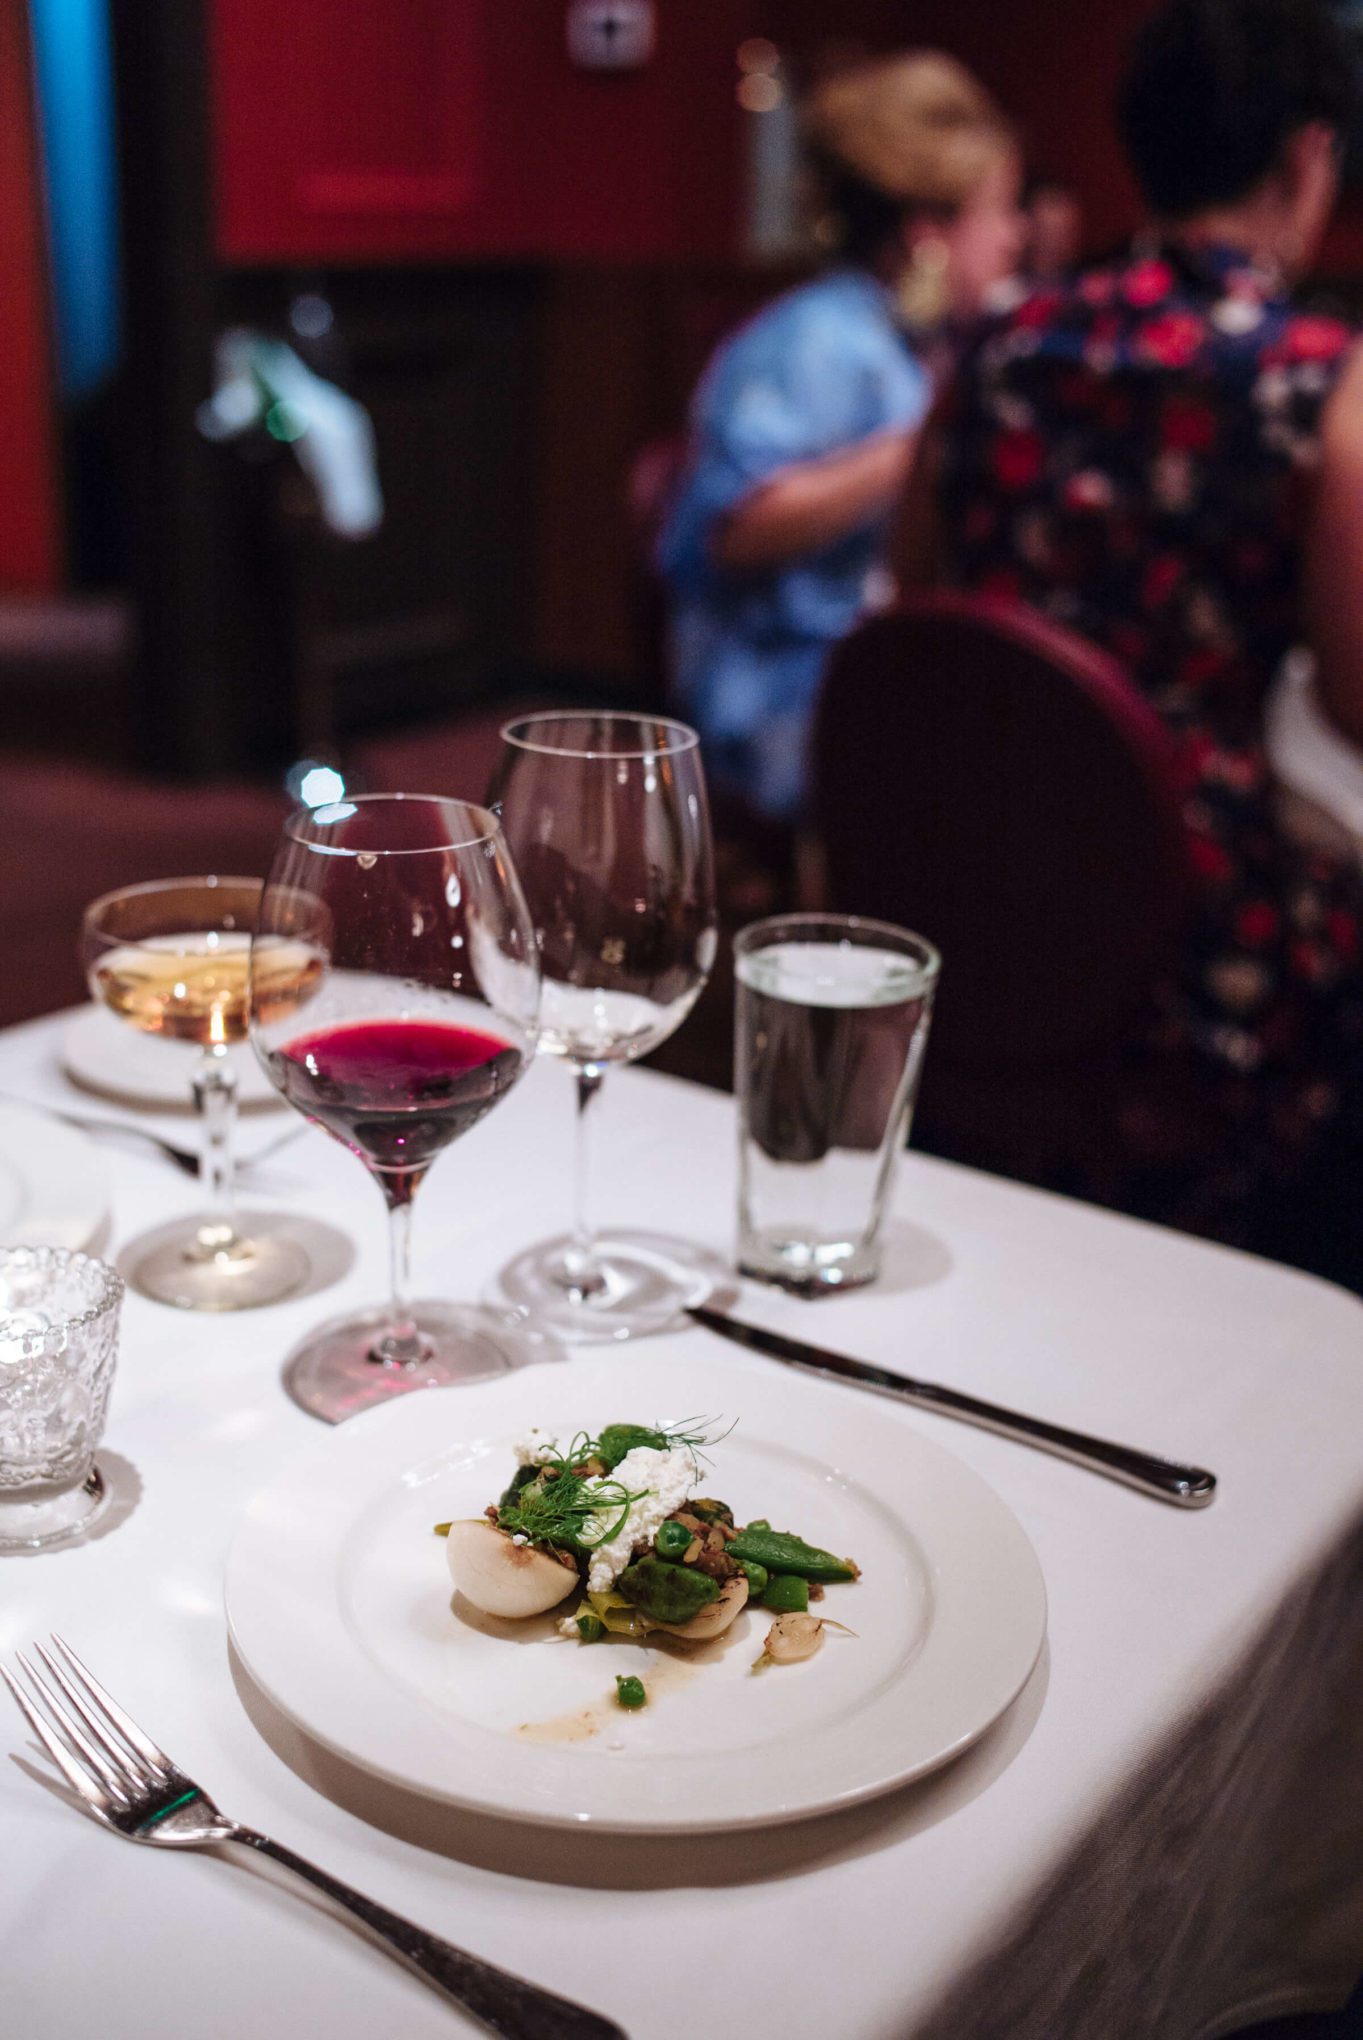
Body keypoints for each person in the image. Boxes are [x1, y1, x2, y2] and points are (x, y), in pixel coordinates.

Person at [914, 0, 1363, 1268]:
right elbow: (1354, 702)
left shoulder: (999, 341)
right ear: (1306, 159)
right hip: (1190, 932)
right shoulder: (1316, 373)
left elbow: (916, 594)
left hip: (975, 870)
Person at [657, 52, 1023, 826]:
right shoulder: (818, 338)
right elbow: (734, 530)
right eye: (999, 210)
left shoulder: (913, 338)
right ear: (928, 235)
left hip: (864, 672)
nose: (1013, 238)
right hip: (778, 690)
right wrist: (919, 448)